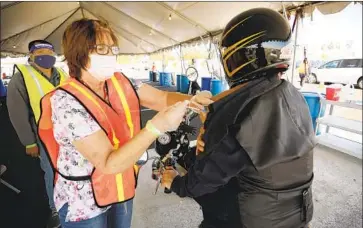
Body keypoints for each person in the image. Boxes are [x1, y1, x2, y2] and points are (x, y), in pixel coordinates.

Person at [37, 19, 212, 228]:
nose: (110, 54)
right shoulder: (65, 101)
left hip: (120, 185)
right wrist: (156, 127)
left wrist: (193, 100)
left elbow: (162, 98)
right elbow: (109, 163)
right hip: (83, 202)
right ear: (79, 52)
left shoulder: (121, 81)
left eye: (113, 48)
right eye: (101, 48)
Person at [161, 8, 315, 228]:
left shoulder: (239, 112)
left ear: (241, 57)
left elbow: (205, 179)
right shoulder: (292, 95)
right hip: (294, 214)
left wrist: (175, 181)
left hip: (250, 219)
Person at [6, 40, 68, 228]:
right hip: (43, 137)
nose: (45, 55)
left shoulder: (62, 74)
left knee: (69, 171)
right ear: (31, 56)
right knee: (51, 173)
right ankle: (55, 209)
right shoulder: (21, 77)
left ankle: (73, 205)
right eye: (39, 51)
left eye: (48, 51)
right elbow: (17, 112)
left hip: (68, 134)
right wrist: (29, 142)